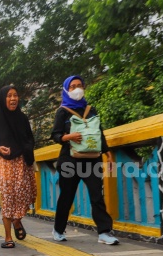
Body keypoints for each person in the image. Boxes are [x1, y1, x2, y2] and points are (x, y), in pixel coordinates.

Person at [50, 75, 119, 245]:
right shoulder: (63, 111)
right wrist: (69, 136)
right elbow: (55, 135)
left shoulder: (91, 110)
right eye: (73, 86)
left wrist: (108, 152)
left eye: (79, 85)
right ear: (67, 90)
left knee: (97, 195)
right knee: (67, 196)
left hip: (92, 159)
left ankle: (104, 232)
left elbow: (98, 133)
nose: (77, 88)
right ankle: (58, 229)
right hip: (69, 160)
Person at [0, 85, 37, 249]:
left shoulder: (22, 119)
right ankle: (8, 237)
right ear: (2, 99)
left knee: (23, 194)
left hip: (20, 161)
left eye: (15, 95)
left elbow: (30, 140)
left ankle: (17, 221)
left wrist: (24, 149)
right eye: (9, 96)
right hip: (2, 161)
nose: (13, 99)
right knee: (7, 196)